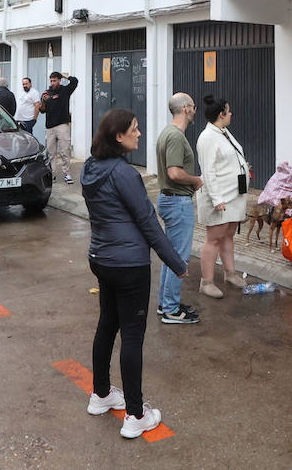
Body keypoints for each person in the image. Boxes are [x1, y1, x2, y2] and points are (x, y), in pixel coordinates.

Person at [81, 108, 187, 439]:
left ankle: (100, 395)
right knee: (132, 336)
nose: (139, 134)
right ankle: (136, 414)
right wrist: (177, 262)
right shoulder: (124, 174)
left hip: (101, 258)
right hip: (128, 265)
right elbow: (148, 223)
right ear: (119, 137)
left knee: (108, 323)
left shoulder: (90, 168)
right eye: (134, 129)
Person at [154, 93, 203, 324]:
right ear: (185, 108)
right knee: (180, 259)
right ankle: (171, 310)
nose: (195, 110)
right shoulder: (174, 136)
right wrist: (196, 180)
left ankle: (166, 304)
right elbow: (174, 172)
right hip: (177, 202)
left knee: (171, 257)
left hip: (170, 200)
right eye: (192, 106)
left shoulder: (168, 133)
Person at [194, 96, 249, 299]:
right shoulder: (207, 137)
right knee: (214, 239)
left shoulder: (223, 132)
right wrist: (217, 199)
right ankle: (206, 282)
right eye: (229, 110)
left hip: (233, 196)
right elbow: (208, 172)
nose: (231, 113)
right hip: (219, 198)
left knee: (228, 235)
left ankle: (230, 273)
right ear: (221, 114)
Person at [38, 71, 79, 184]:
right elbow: (42, 111)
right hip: (50, 127)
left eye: (54, 80)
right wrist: (42, 103)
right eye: (51, 81)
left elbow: (75, 81)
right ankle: (52, 174)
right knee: (51, 153)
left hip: (62, 125)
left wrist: (65, 75)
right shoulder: (46, 93)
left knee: (65, 151)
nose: (52, 83)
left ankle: (67, 174)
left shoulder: (65, 90)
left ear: (59, 81)